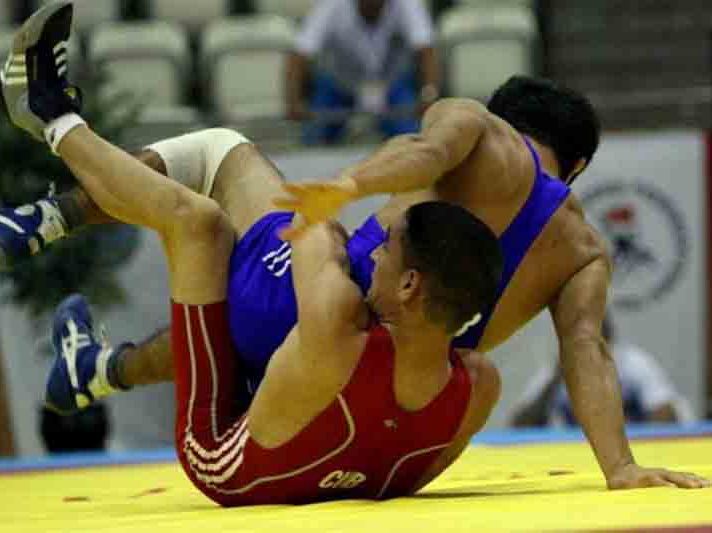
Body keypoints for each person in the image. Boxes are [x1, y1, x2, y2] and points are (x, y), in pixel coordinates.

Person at [0, 12, 708, 488]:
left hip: (316, 325)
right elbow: (589, 351)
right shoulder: (584, 250)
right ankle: (100, 368)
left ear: (502, 115)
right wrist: (620, 466)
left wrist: (346, 185)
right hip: (376, 411)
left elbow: (426, 149)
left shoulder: (478, 131)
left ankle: (50, 187)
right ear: (578, 167)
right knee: (229, 320)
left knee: (217, 167)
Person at [2, 2, 507, 505]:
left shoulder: (339, 321)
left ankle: (51, 117)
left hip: (220, 454)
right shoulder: (480, 384)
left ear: (411, 285)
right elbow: (406, 479)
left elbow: (313, 228)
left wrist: (346, 191)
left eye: (387, 253)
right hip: (294, 404)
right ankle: (92, 358)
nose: (375, 256)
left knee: (199, 222)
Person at [285, 0, 440, 144]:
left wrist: (428, 93)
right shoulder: (331, 4)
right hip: (340, 84)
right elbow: (299, 54)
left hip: (391, 84)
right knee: (313, 137)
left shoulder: (407, 4)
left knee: (413, 140)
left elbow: (426, 50)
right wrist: (293, 101)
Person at [510, 314, 696, 428]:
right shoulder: (561, 370)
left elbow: (665, 414)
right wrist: (556, 380)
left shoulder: (632, 363)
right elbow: (520, 425)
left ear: (607, 341)